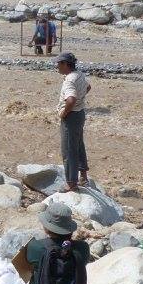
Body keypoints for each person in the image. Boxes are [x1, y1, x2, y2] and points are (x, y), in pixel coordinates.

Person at [56, 52, 90, 192]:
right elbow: (88, 87)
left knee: (69, 149)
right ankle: (83, 176)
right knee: (78, 144)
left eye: (58, 64)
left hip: (71, 116)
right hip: (80, 113)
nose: (57, 66)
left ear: (65, 64)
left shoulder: (69, 80)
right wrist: (80, 99)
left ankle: (71, 183)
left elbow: (71, 100)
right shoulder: (79, 74)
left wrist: (64, 112)